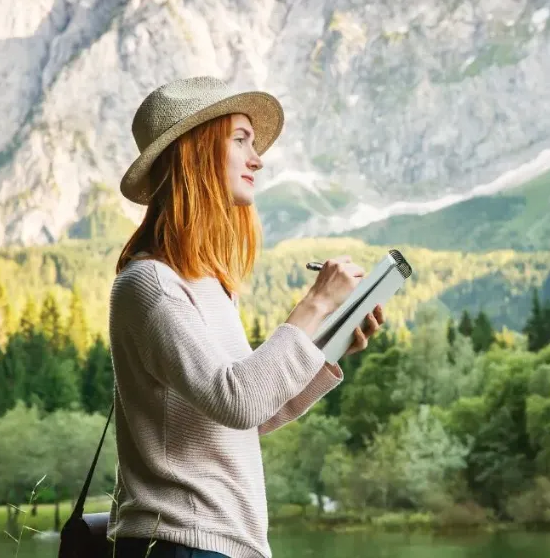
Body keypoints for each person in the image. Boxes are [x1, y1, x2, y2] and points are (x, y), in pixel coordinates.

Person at [107, 76, 384, 558]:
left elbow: (242, 416)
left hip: (223, 544)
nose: (258, 158)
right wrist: (315, 304)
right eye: (240, 140)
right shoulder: (150, 284)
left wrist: (322, 351)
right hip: (181, 543)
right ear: (195, 152)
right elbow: (237, 401)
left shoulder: (210, 285)